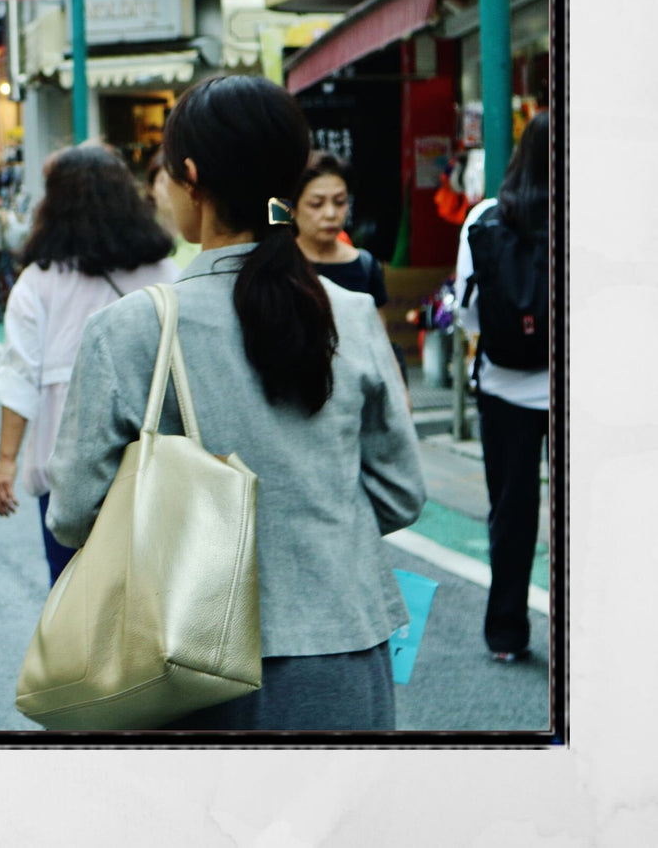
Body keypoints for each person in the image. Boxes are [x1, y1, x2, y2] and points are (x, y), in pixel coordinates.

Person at [44, 75, 426, 731]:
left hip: (181, 658)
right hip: (340, 644)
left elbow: (74, 514)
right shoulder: (352, 315)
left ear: (190, 178)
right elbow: (399, 494)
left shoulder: (131, 328)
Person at [0, 145, 178, 585]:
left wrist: (5, 463)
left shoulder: (40, 279)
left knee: (73, 597)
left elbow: (19, 374)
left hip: (65, 465)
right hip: (153, 459)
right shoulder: (163, 271)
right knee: (151, 592)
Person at [455, 111, 550, 664]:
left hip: (504, 387)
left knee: (511, 513)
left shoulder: (486, 216)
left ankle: (507, 633)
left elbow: (468, 312)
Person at [294, 151, 388, 306]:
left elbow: (375, 328)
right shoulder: (278, 266)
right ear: (294, 208)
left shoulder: (365, 266)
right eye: (316, 204)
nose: (330, 214)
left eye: (340, 202)